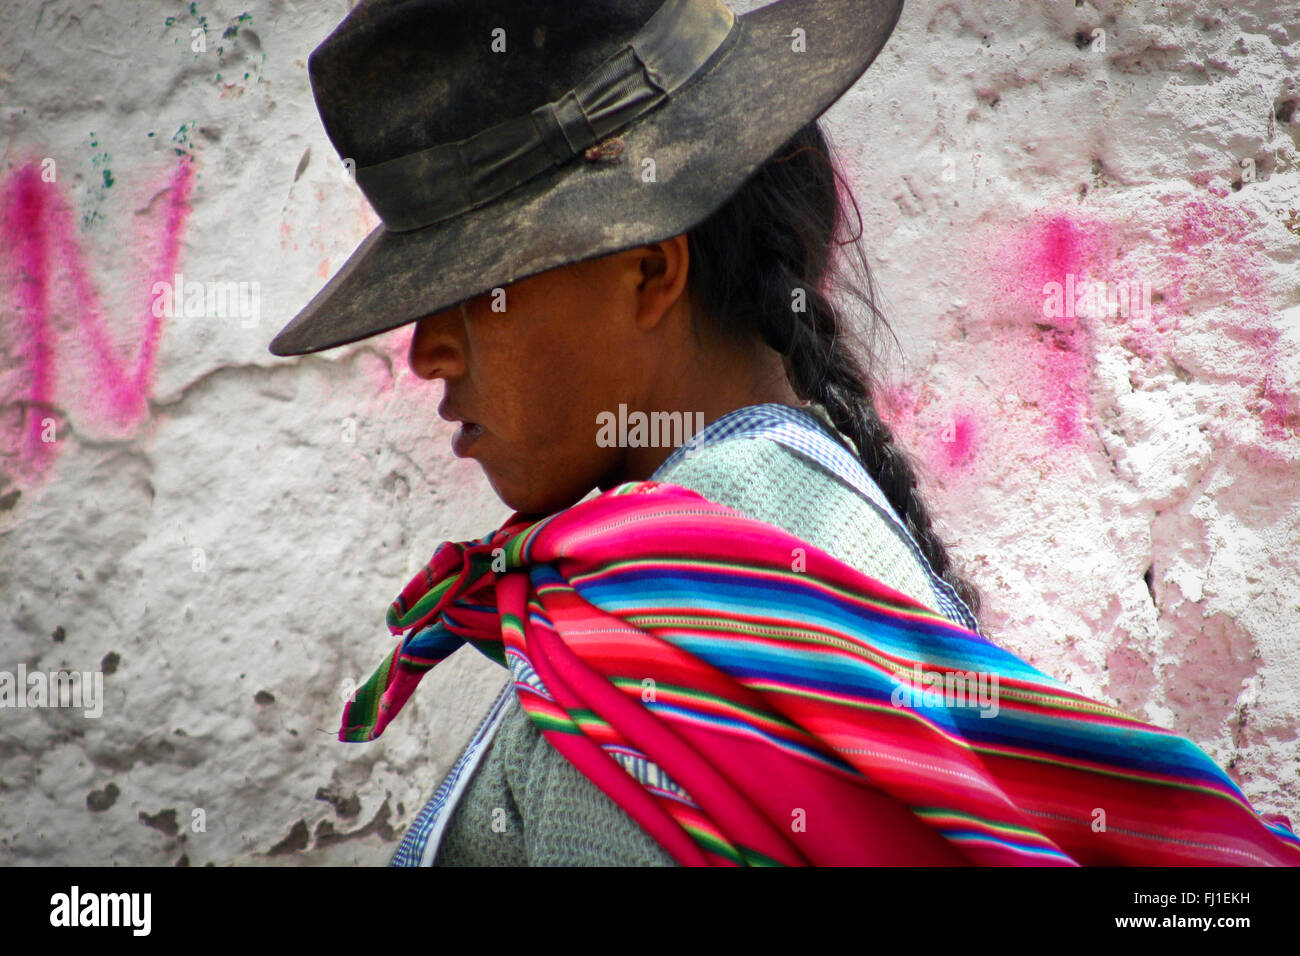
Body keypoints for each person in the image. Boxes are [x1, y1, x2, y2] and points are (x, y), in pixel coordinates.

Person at [271, 0, 1300, 866]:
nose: (427, 354)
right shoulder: (739, 566)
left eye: (465, 291)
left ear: (647, 268)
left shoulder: (660, 657)